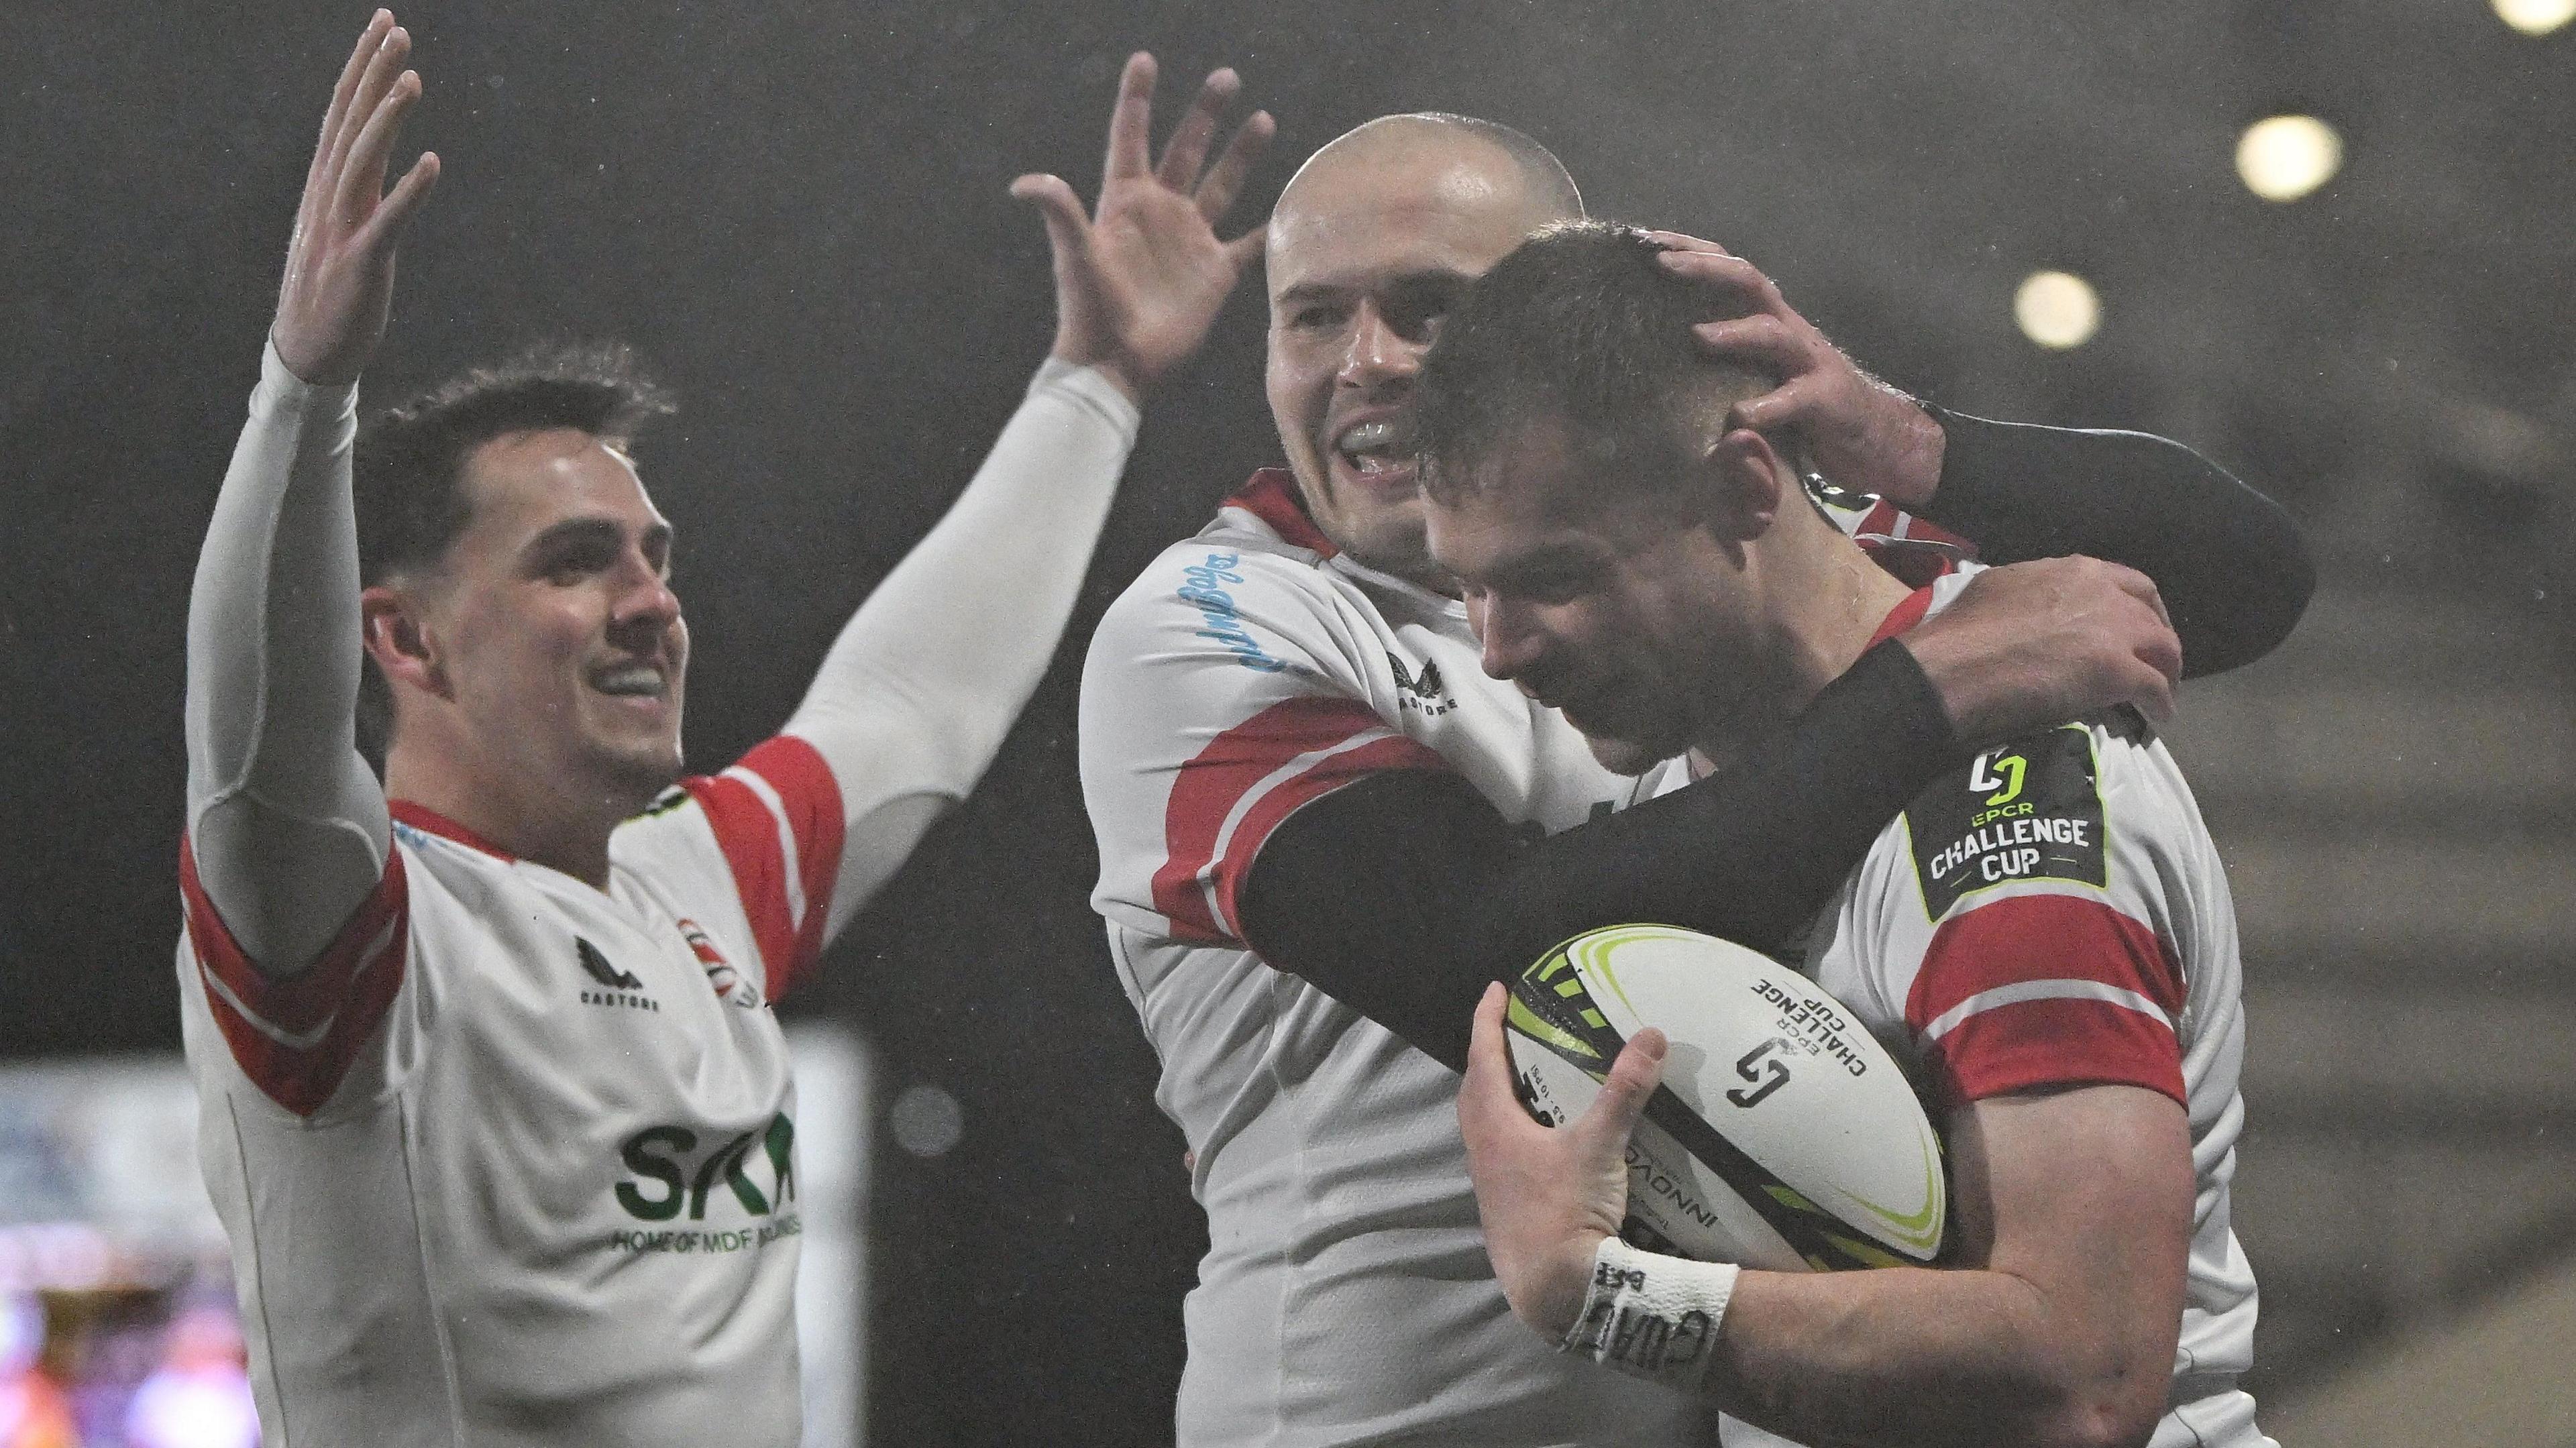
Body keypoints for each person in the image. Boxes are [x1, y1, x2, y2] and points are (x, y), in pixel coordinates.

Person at [1078, 114, 2307, 1445]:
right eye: (1311, 318)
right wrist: (1926, 694)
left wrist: (1897, 438)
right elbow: (1494, 951)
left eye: (1435, 309)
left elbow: (2239, 577)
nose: (1372, 362)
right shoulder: (1218, 631)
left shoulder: (1741, 566)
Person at [175, 15, 1270, 1445]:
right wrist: (304, 393)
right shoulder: (349, 931)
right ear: (402, 637)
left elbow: (911, 700)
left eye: (657, 557)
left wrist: (1096, 386)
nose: (650, 606)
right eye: (574, 562)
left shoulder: (696, 891)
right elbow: (256, 752)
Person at [1431, 222, 2267, 1448]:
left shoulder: (2006, 805)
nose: (1499, 650)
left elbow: (2086, 1378)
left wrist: (1608, 1301)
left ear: (1745, 490)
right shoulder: (1686, 749)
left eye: (1554, 575)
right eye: (1469, 587)